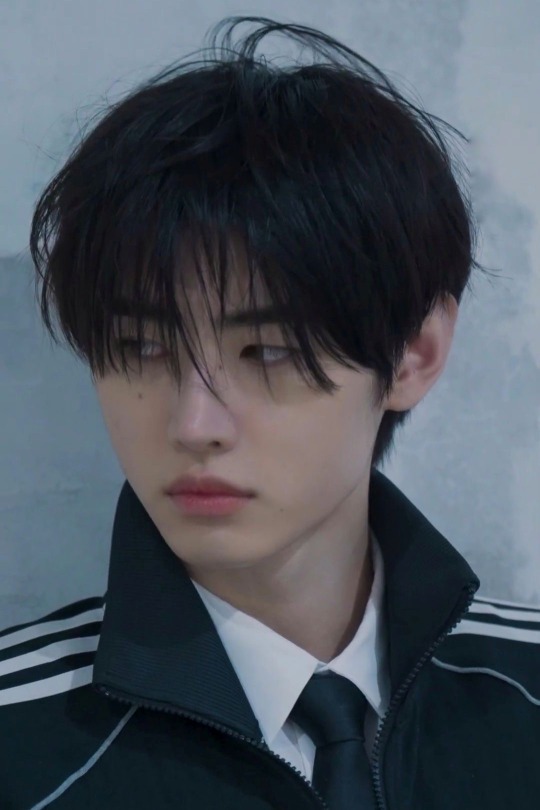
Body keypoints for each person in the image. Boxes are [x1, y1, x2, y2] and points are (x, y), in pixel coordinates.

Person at [1, 15, 538, 810]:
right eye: (141, 346)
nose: (194, 425)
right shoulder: (20, 743)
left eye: (268, 352)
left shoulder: (522, 695)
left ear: (413, 355)